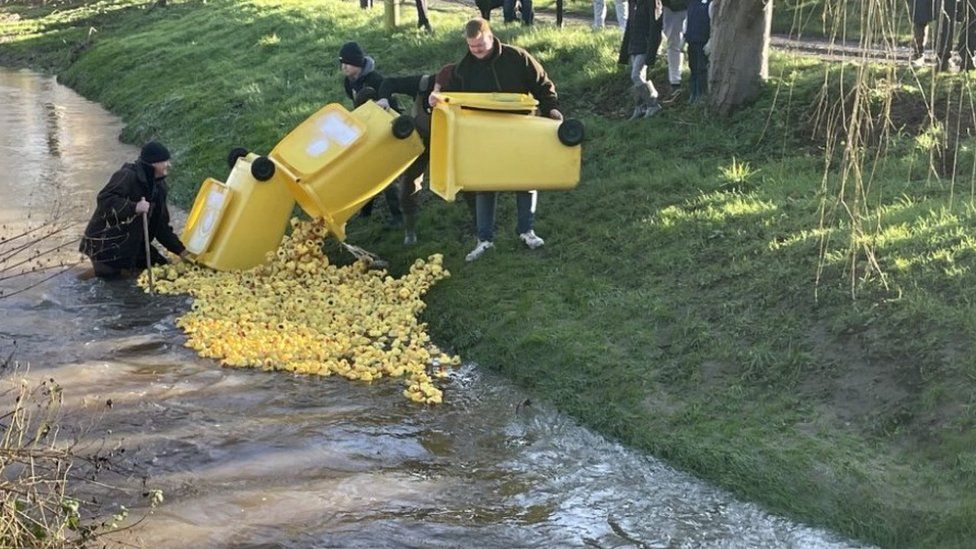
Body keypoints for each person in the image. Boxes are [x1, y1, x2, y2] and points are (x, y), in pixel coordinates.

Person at [432, 18, 562, 262]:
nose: (477, 51)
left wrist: (551, 109)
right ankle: (484, 239)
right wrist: (438, 98)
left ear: (491, 37)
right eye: (472, 47)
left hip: (520, 127)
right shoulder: (465, 68)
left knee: (526, 178)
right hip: (483, 134)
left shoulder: (517, 57)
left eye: (481, 45)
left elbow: (543, 84)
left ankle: (527, 230)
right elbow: (453, 96)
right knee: (484, 185)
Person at [79, 141, 188, 278]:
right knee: (115, 283)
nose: (169, 165)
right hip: (105, 245)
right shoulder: (127, 176)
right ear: (154, 164)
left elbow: (161, 226)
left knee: (162, 269)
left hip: (134, 242)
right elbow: (104, 200)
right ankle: (82, 278)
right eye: (165, 161)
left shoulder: (159, 188)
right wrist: (134, 207)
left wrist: (181, 250)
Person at [376, 67, 445, 245]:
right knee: (408, 185)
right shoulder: (423, 83)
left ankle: (481, 231)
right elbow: (390, 82)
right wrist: (383, 98)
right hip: (420, 143)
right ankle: (410, 230)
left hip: (447, 144)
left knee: (466, 185)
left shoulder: (463, 90)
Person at [338, 41, 403, 226]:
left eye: (347, 63)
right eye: (341, 63)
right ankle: (366, 210)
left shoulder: (375, 80)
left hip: (387, 128)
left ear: (357, 63)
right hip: (367, 129)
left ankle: (399, 215)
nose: (343, 67)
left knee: (386, 174)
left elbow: (389, 102)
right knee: (366, 171)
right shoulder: (348, 82)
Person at [619, 0, 664, 119]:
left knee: (636, 75)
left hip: (645, 45)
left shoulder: (652, 2)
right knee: (638, 78)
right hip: (634, 44)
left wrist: (652, 50)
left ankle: (653, 103)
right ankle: (640, 107)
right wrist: (625, 48)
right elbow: (630, 24)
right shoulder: (633, 2)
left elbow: (655, 26)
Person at [685, 0, 714, 103]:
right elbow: (687, 20)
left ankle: (701, 96)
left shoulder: (711, 3)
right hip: (691, 40)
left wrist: (711, 41)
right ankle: (693, 94)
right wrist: (684, 37)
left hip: (703, 42)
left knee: (702, 69)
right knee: (693, 68)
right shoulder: (692, 3)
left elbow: (714, 24)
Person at [661, 0, 687, 91]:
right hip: (670, 7)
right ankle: (675, 81)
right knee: (673, 43)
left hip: (692, 5)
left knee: (698, 41)